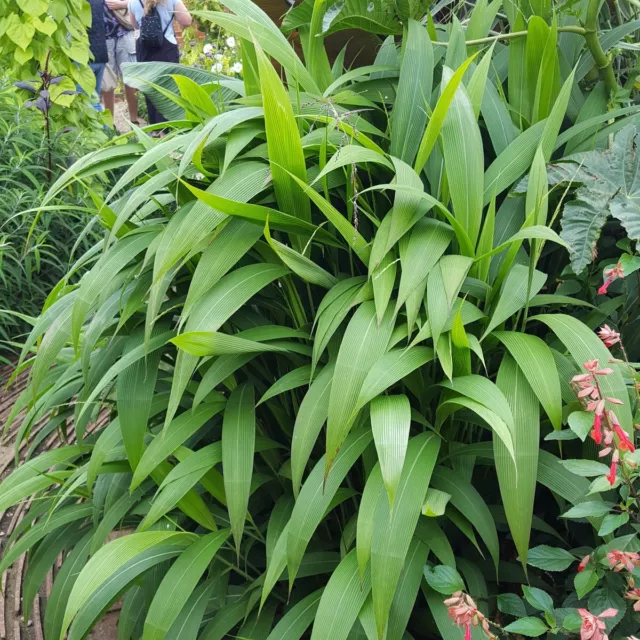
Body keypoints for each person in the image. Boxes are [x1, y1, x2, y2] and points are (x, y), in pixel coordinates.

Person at [128, 0, 192, 125]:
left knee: (149, 88)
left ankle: (155, 128)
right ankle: (166, 128)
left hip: (144, 48)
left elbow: (135, 25)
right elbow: (186, 20)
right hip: (166, 48)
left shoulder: (133, 2)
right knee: (168, 88)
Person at [102, 0, 139, 122]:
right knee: (108, 82)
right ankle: (110, 123)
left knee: (131, 79)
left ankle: (134, 120)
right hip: (103, 36)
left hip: (125, 32)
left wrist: (122, 4)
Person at [87, 0, 108, 110]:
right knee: (95, 100)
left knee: (87, 102)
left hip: (85, 58)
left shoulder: (76, 3)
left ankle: (104, 127)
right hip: (101, 54)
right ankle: (105, 127)